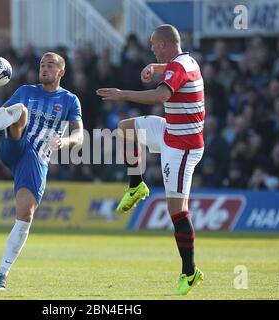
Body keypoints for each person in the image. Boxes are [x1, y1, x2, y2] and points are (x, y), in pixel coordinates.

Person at [0, 52, 83, 290]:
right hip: (15, 144)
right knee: (20, 109)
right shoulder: (26, 90)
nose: (44, 68)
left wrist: (67, 142)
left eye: (50, 65)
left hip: (36, 158)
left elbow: (79, 134)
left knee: (25, 216)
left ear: (61, 72)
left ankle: (2, 273)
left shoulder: (70, 100)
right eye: (42, 65)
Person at [97, 24, 204, 296]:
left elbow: (161, 96)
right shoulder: (184, 61)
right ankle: (136, 185)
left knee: (177, 211)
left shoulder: (177, 67)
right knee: (125, 128)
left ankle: (190, 272)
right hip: (170, 131)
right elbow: (172, 73)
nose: (152, 48)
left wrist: (124, 94)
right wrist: (154, 68)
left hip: (183, 147)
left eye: (154, 45)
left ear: (165, 44)